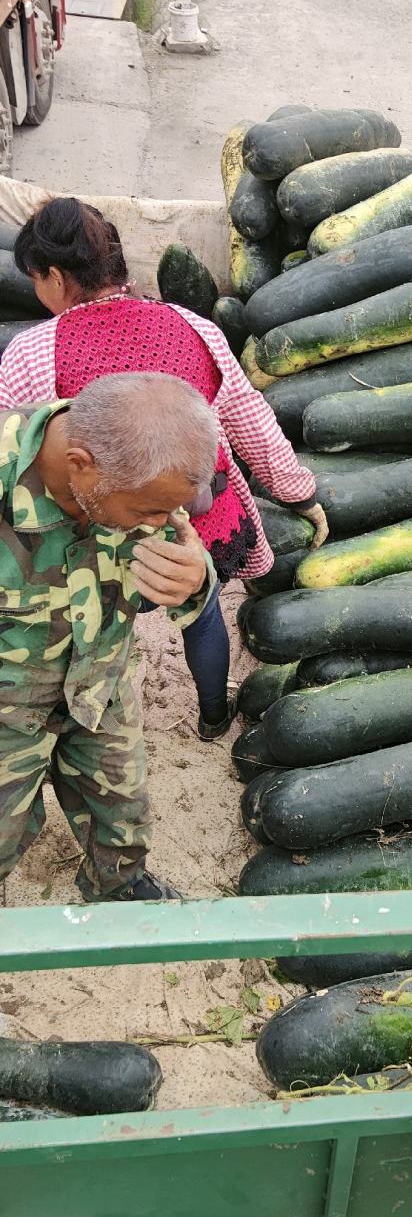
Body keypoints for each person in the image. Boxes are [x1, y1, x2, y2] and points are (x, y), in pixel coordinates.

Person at [0, 197, 329, 739]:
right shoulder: (194, 326)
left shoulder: (33, 352)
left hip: (102, 537)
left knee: (102, 624)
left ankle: (80, 720)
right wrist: (296, 492)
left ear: (55, 277)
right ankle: (213, 717)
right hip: (197, 516)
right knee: (200, 612)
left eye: (37, 279)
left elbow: (24, 453)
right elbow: (249, 418)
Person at [0, 372, 219, 903]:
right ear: (81, 467)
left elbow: (184, 553)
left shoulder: (145, 473)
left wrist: (197, 579)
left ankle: (117, 886)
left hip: (100, 682)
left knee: (123, 811)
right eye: (148, 513)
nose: (165, 521)